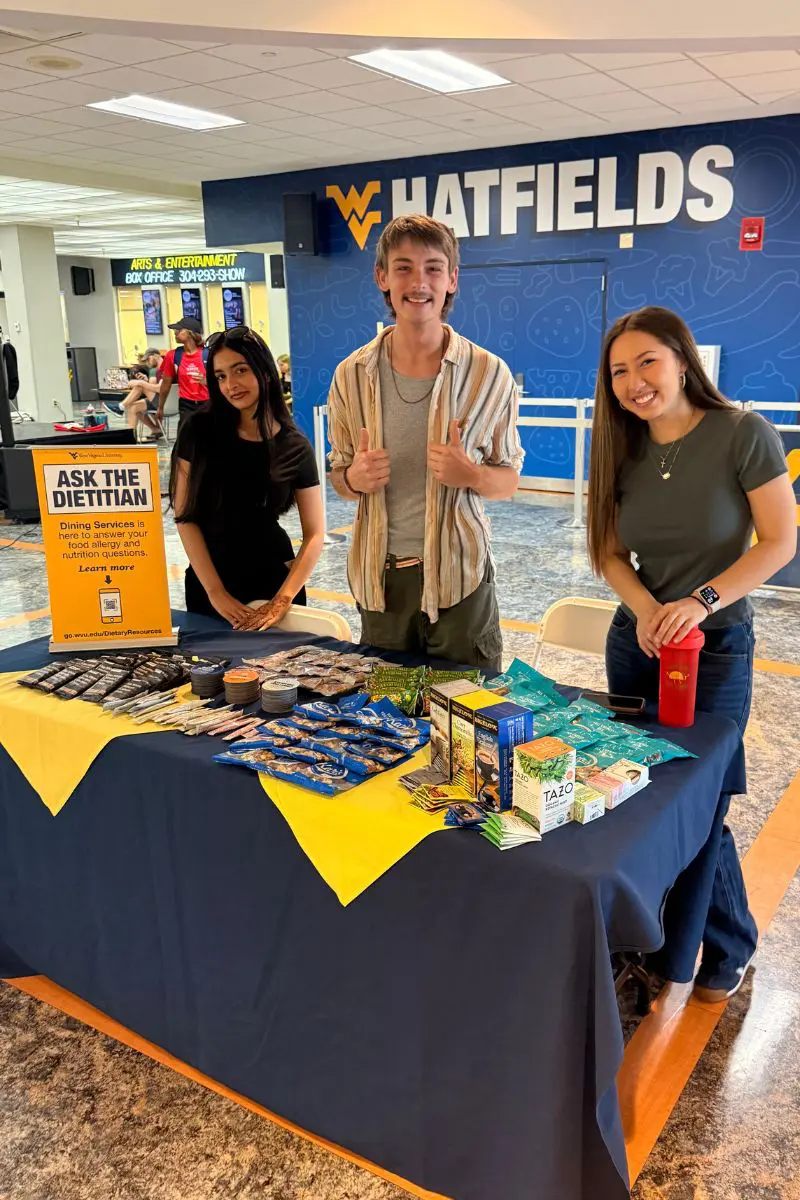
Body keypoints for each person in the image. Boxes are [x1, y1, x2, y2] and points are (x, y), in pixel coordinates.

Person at [587, 305, 796, 1003]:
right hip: (639, 646)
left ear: (682, 360)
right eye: (619, 371)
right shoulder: (622, 447)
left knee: (703, 803)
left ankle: (697, 953)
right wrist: (648, 609)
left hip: (718, 648)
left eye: (647, 361)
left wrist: (698, 603)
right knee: (651, 805)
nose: (634, 381)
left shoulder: (744, 434)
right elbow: (610, 554)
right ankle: (715, 939)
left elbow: (778, 543)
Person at [327, 214, 523, 669]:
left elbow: (509, 480)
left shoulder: (488, 373)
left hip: (460, 580)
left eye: (434, 268)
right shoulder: (351, 375)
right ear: (382, 277)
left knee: (467, 718)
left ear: (452, 279)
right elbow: (338, 477)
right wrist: (353, 478)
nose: (419, 282)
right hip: (382, 585)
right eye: (403, 267)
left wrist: (471, 474)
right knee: (391, 718)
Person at [168, 327, 324, 630]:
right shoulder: (198, 431)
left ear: (265, 372)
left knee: (279, 675)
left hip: (274, 581)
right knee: (213, 675)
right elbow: (184, 517)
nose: (231, 385)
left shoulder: (294, 445)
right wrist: (215, 592)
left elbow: (315, 533)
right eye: (221, 376)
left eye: (240, 370)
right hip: (209, 580)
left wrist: (283, 599)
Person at [156, 317, 209, 432]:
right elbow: (166, 384)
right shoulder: (173, 355)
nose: (175, 333)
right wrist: (160, 407)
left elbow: (221, 382)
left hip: (208, 405)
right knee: (185, 441)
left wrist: (206, 381)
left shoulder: (209, 354)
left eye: (179, 330)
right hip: (186, 406)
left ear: (190, 333)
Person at [117, 349, 163, 438]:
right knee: (132, 407)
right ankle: (133, 437)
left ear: (156, 356)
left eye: (148, 359)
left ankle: (121, 406)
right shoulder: (157, 370)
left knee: (140, 386)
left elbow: (160, 389)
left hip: (164, 402)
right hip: (160, 400)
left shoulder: (165, 368)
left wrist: (141, 383)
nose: (147, 362)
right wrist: (146, 380)